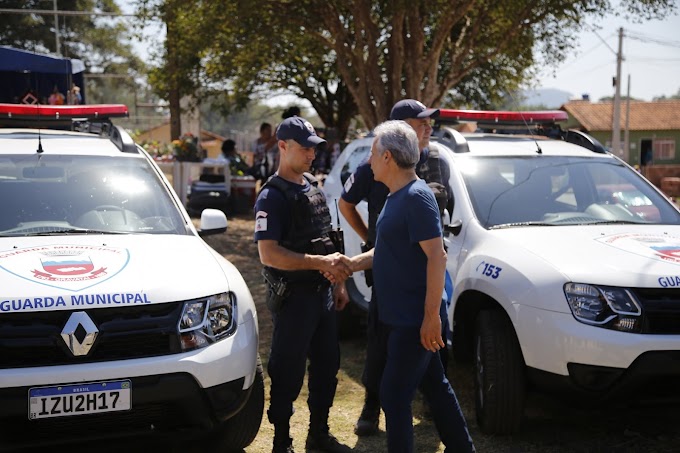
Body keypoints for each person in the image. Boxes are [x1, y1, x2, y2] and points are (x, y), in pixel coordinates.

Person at [348, 120, 475, 453]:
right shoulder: (396, 196)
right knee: (436, 386)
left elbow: (437, 256)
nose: (369, 160)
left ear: (387, 157)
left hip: (413, 321)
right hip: (398, 318)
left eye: (372, 152)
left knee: (393, 395)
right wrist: (351, 263)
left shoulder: (417, 197)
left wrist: (431, 316)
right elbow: (389, 249)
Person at [340, 98, 453, 436]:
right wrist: (373, 240)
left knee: (435, 338)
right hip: (390, 272)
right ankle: (372, 406)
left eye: (430, 122)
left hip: (428, 269)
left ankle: (432, 403)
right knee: (380, 342)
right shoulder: (373, 164)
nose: (429, 128)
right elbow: (347, 204)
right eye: (421, 123)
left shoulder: (436, 164)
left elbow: (440, 236)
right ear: (401, 128)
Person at [254, 116, 353, 453]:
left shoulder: (313, 187)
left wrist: (338, 283)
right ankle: (282, 442)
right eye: (305, 148)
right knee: (287, 373)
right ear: (283, 147)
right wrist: (318, 264)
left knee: (327, 368)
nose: (312, 154)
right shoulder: (272, 196)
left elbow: (326, 239)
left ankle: (319, 434)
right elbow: (269, 254)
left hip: (323, 295)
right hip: (294, 299)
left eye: (314, 147)